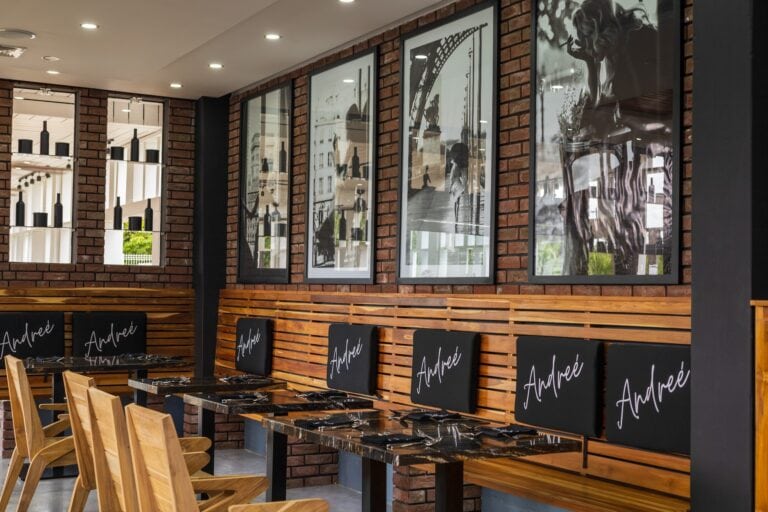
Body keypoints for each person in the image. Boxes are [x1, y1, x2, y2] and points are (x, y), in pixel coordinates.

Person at [448, 143, 469, 231]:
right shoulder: (459, 165)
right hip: (458, 184)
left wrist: (450, 188)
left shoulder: (455, 165)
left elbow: (452, 178)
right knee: (456, 201)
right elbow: (464, 177)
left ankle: (455, 217)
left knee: (455, 201)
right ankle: (456, 217)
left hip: (455, 185)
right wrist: (464, 186)